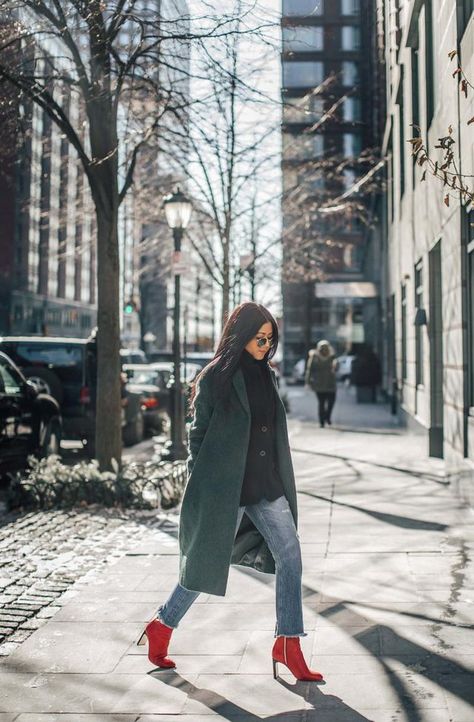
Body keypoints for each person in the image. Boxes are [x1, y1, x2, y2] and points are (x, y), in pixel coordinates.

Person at [137, 302, 323, 682]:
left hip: (266, 485)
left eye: (270, 340)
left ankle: (288, 642)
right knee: (206, 561)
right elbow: (197, 435)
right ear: (242, 335)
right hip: (227, 487)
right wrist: (201, 485)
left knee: (291, 556)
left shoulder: (268, 375)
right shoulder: (215, 377)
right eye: (260, 338)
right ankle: (162, 624)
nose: (266, 346)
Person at [305, 340, 338, 428]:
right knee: (321, 403)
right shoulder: (314, 356)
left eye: (325, 348)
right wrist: (307, 382)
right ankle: (322, 421)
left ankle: (327, 417)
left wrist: (336, 366)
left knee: (331, 402)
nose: (324, 349)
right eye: (322, 348)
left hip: (330, 383)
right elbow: (309, 370)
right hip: (319, 384)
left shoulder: (332, 356)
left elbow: (336, 367)